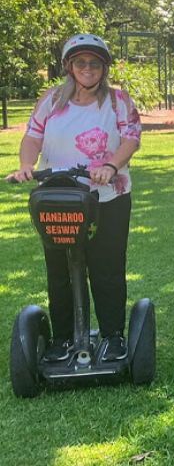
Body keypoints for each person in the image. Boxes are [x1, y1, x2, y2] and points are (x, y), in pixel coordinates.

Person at [9, 34, 142, 362]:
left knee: (107, 268)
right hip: (58, 199)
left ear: (104, 68)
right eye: (81, 62)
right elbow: (32, 136)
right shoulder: (52, 100)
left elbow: (131, 139)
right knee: (60, 271)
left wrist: (110, 165)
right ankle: (63, 339)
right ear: (69, 66)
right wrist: (27, 164)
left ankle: (112, 336)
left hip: (107, 198)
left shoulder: (117, 101)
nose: (88, 68)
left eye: (94, 63)